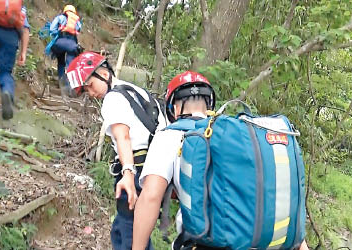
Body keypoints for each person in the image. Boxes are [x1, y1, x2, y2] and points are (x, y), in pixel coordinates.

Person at [132, 71, 310, 250]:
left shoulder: (169, 136)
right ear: (209, 104)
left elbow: (151, 197)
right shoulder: (235, 137)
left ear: (174, 108)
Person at [66, 52, 167, 250]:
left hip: (135, 170)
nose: (91, 93)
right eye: (86, 90)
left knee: (128, 232)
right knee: (131, 229)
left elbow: (123, 136)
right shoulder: (134, 90)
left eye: (90, 86)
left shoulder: (113, 99)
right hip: (154, 169)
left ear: (103, 73)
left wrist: (127, 173)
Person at [50, 4, 82, 94]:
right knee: (71, 66)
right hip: (72, 44)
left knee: (61, 62)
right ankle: (71, 87)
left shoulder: (60, 18)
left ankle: (61, 82)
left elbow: (52, 29)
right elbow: (78, 30)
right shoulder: (77, 21)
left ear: (65, 11)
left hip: (60, 42)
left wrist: (57, 33)